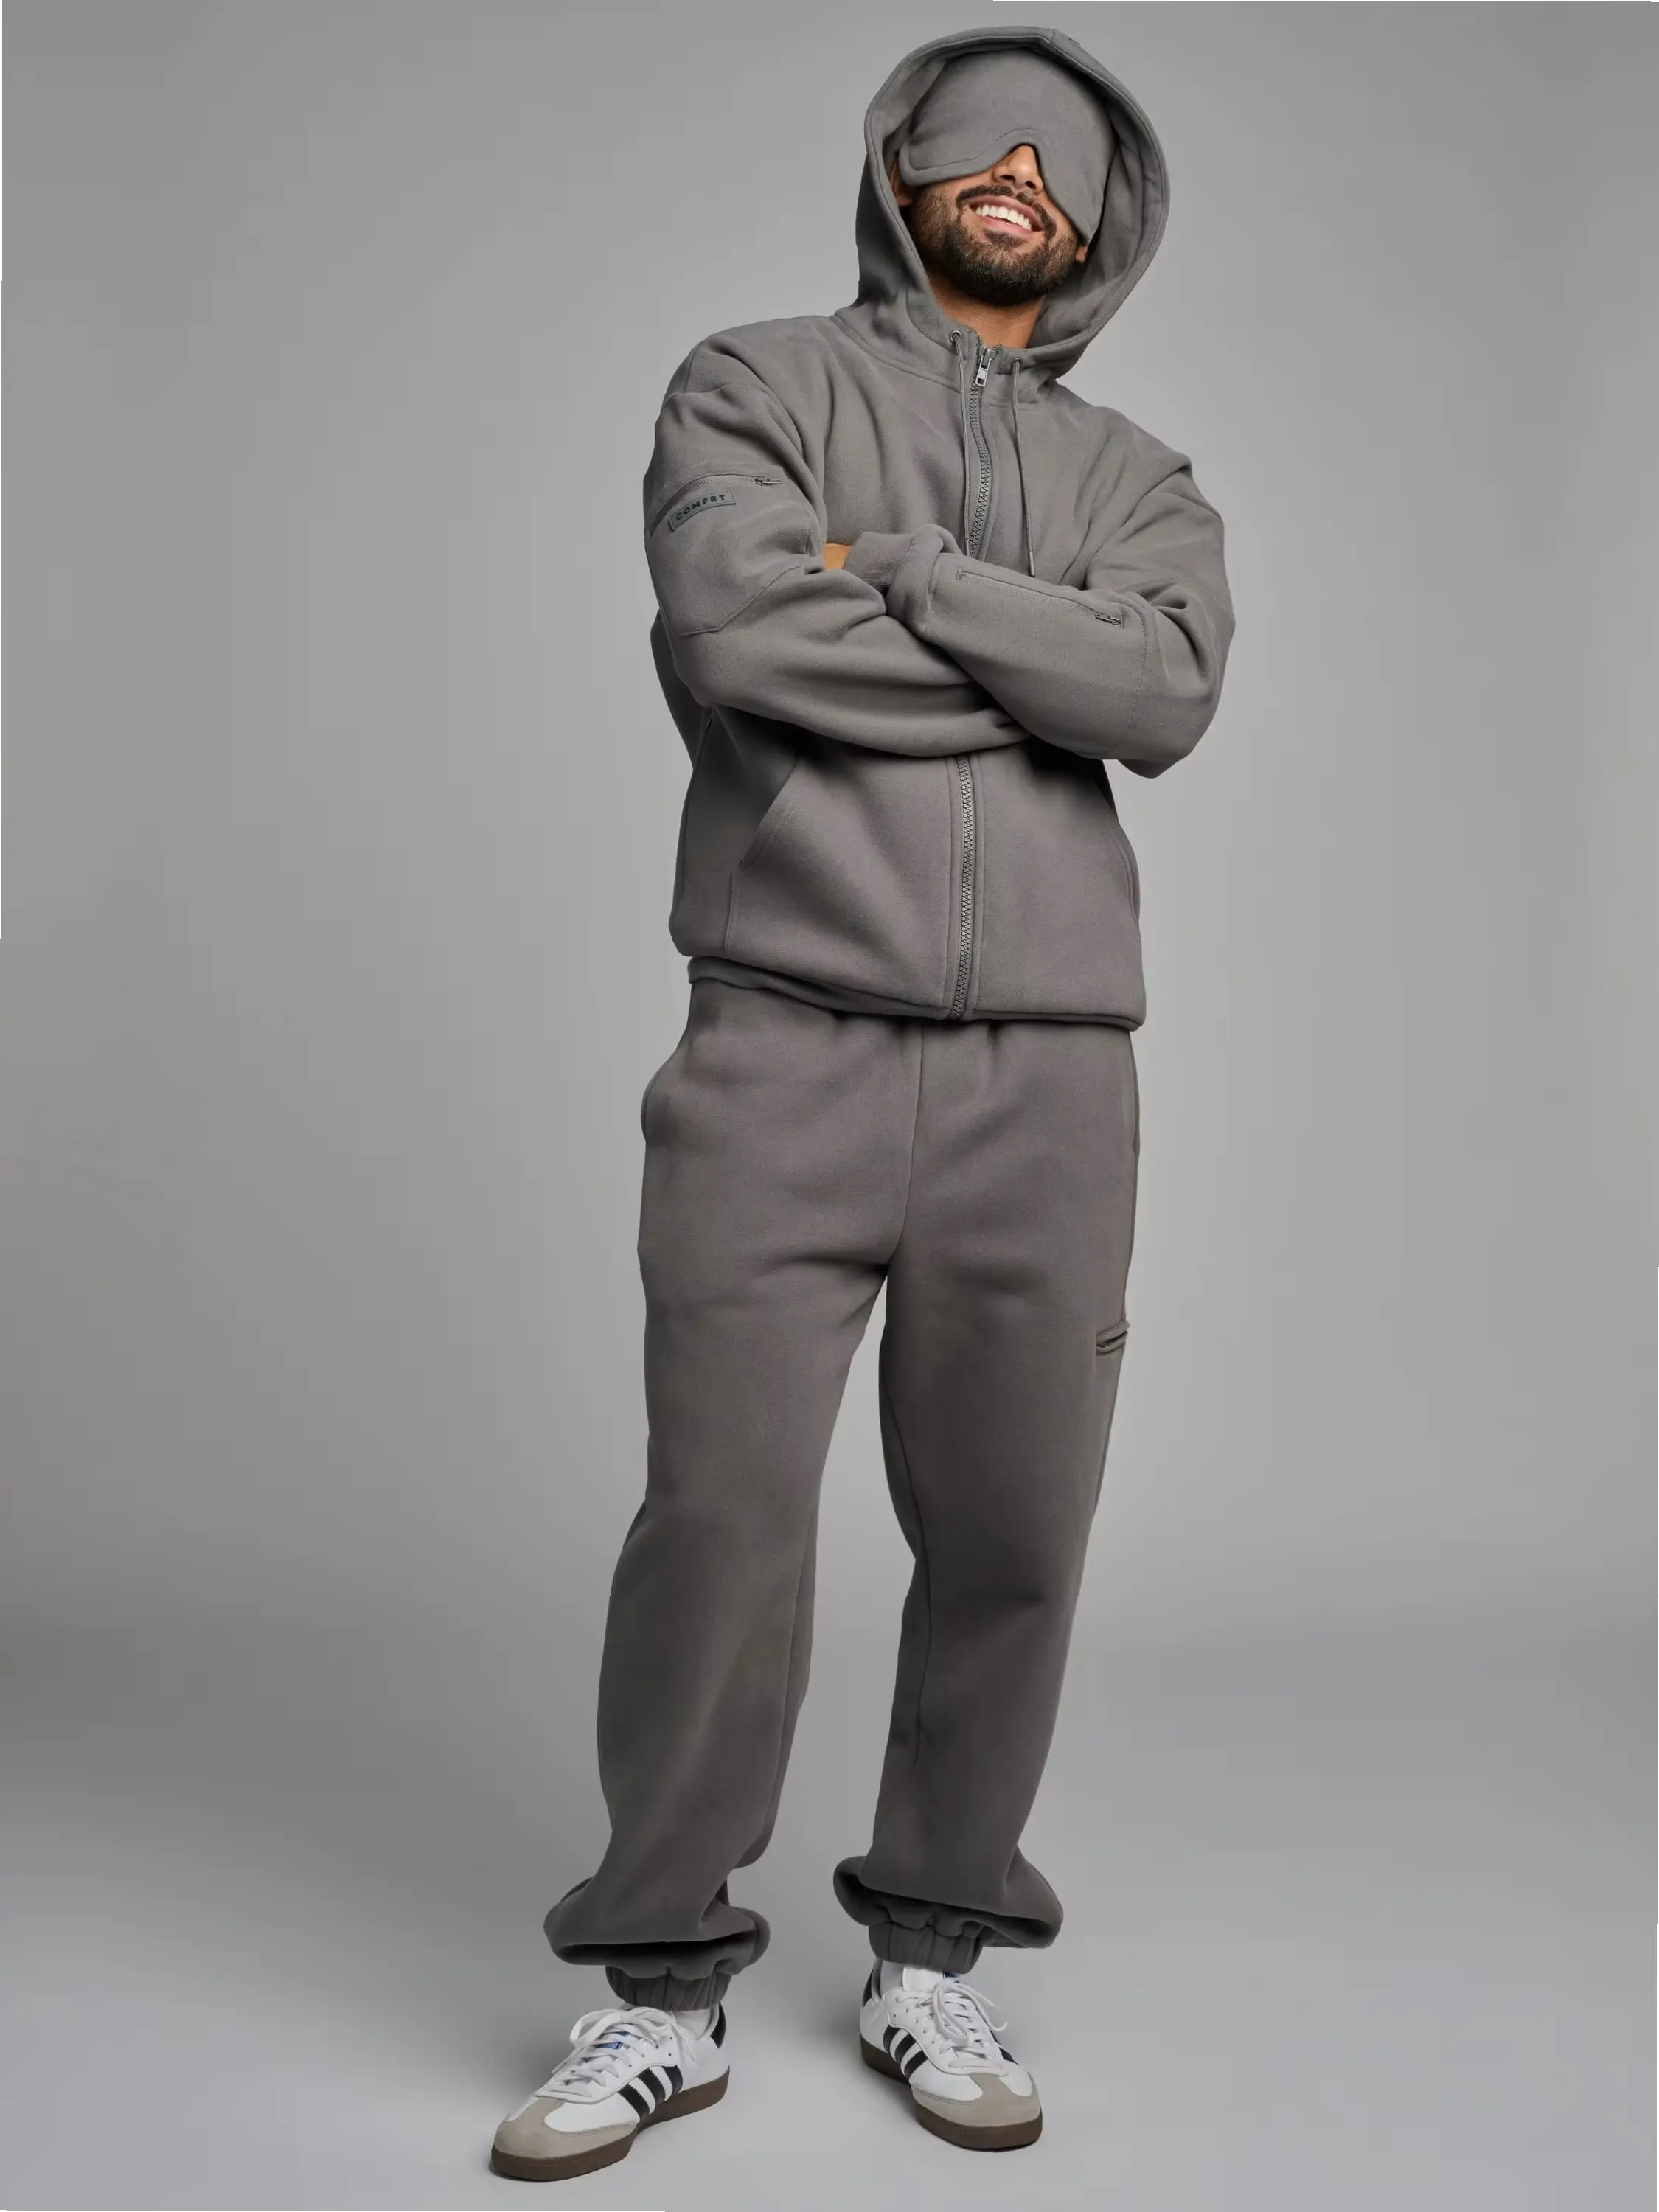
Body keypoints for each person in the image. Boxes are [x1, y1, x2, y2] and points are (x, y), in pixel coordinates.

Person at [490, 23, 1234, 2184]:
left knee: (1015, 1532)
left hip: (1051, 1079)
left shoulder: (1147, 478)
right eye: (979, 149)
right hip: (780, 1043)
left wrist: (898, 575)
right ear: (902, 170)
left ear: (1101, 223)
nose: (1018, 181)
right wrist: (1036, 649)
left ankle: (935, 1948)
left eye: (1063, 167)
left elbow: (1167, 688)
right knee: (720, 1525)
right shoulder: (750, 385)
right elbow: (741, 634)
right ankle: (656, 1988)